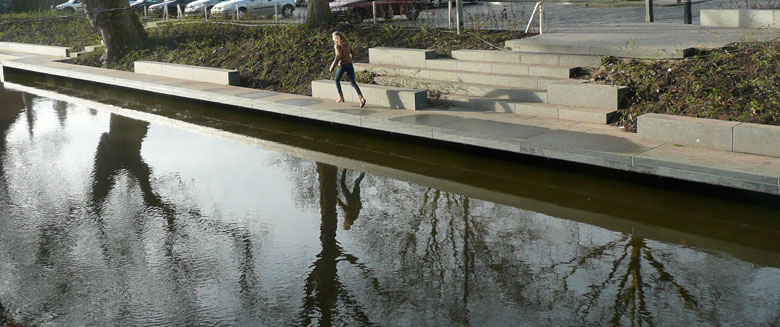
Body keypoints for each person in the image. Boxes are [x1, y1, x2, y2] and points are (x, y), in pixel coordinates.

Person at [329, 31, 366, 108]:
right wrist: (350, 60)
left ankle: (341, 97)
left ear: (336, 38)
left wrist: (332, 66)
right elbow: (353, 53)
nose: (332, 39)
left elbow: (338, 56)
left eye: (333, 37)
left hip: (342, 65)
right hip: (349, 65)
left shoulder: (337, 46)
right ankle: (361, 98)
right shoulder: (347, 44)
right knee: (353, 83)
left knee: (336, 79)